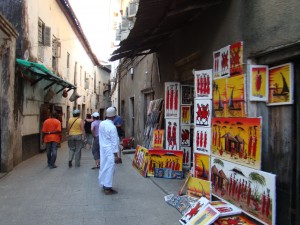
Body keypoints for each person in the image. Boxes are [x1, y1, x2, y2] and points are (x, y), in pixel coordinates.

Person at [98, 107, 122, 195]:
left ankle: (104, 183)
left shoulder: (102, 124)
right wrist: (116, 155)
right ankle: (108, 187)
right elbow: (114, 142)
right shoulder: (112, 127)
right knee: (110, 168)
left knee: (104, 166)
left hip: (103, 148)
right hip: (110, 150)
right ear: (114, 116)